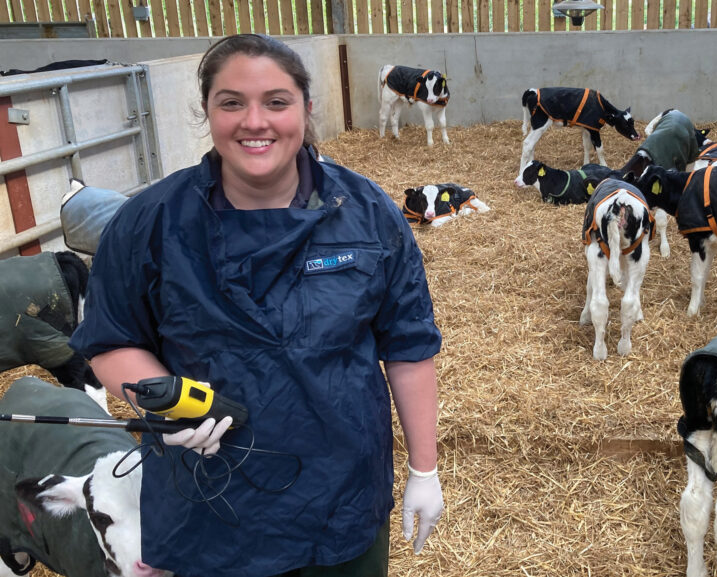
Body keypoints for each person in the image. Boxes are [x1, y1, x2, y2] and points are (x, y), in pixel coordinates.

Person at [69, 34, 444, 577]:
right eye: (231, 103)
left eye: (275, 101)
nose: (254, 121)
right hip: (207, 496)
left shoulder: (367, 214)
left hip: (340, 497)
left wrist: (423, 470)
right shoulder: (150, 222)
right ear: (207, 112)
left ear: (306, 108)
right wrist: (170, 403)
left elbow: (408, 348)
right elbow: (111, 340)